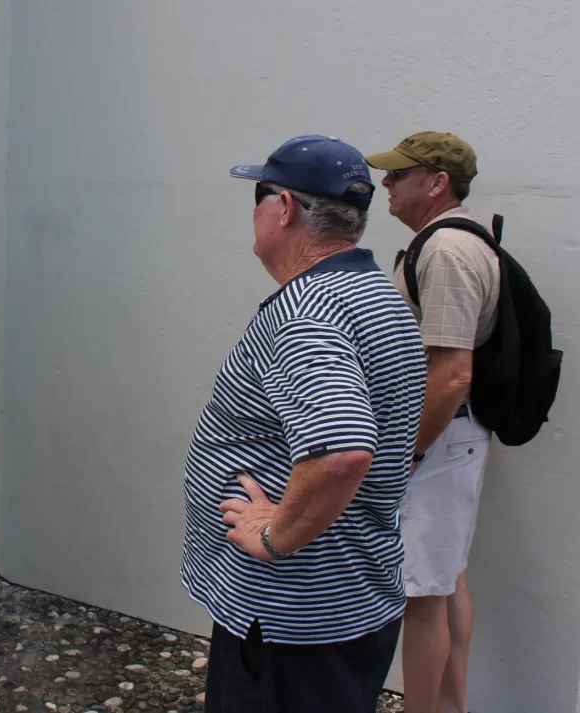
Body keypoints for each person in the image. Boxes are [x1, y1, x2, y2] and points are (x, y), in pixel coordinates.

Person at [181, 135, 428, 713]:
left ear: (285, 207)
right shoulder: (373, 293)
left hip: (290, 617)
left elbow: (342, 453)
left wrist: (276, 536)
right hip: (346, 600)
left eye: (259, 196)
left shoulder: (308, 313)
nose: (255, 212)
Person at [365, 132, 495, 713]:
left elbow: (452, 373)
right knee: (445, 582)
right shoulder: (453, 241)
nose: (386, 183)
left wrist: (408, 452)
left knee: (421, 594)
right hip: (450, 436)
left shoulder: (444, 250)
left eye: (399, 173)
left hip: (438, 437)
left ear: (438, 182)